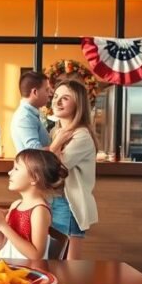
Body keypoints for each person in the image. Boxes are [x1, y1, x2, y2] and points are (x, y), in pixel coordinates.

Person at [48, 79, 99, 259]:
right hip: (55, 200)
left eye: (65, 98)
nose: (57, 101)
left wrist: (54, 146)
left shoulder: (81, 135)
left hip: (69, 204)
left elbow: (50, 167)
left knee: (70, 265)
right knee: (55, 260)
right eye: (56, 96)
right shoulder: (58, 133)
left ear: (79, 103)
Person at [0, 149, 67, 261]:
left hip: (30, 274)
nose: (10, 172)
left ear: (34, 178)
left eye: (16, 169)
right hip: (11, 269)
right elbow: (0, 246)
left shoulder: (39, 211)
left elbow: (36, 255)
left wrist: (3, 226)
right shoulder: (16, 205)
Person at [10, 71, 53, 152]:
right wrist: (60, 142)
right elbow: (35, 152)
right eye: (46, 90)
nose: (50, 94)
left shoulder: (33, 114)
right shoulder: (24, 117)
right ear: (35, 92)